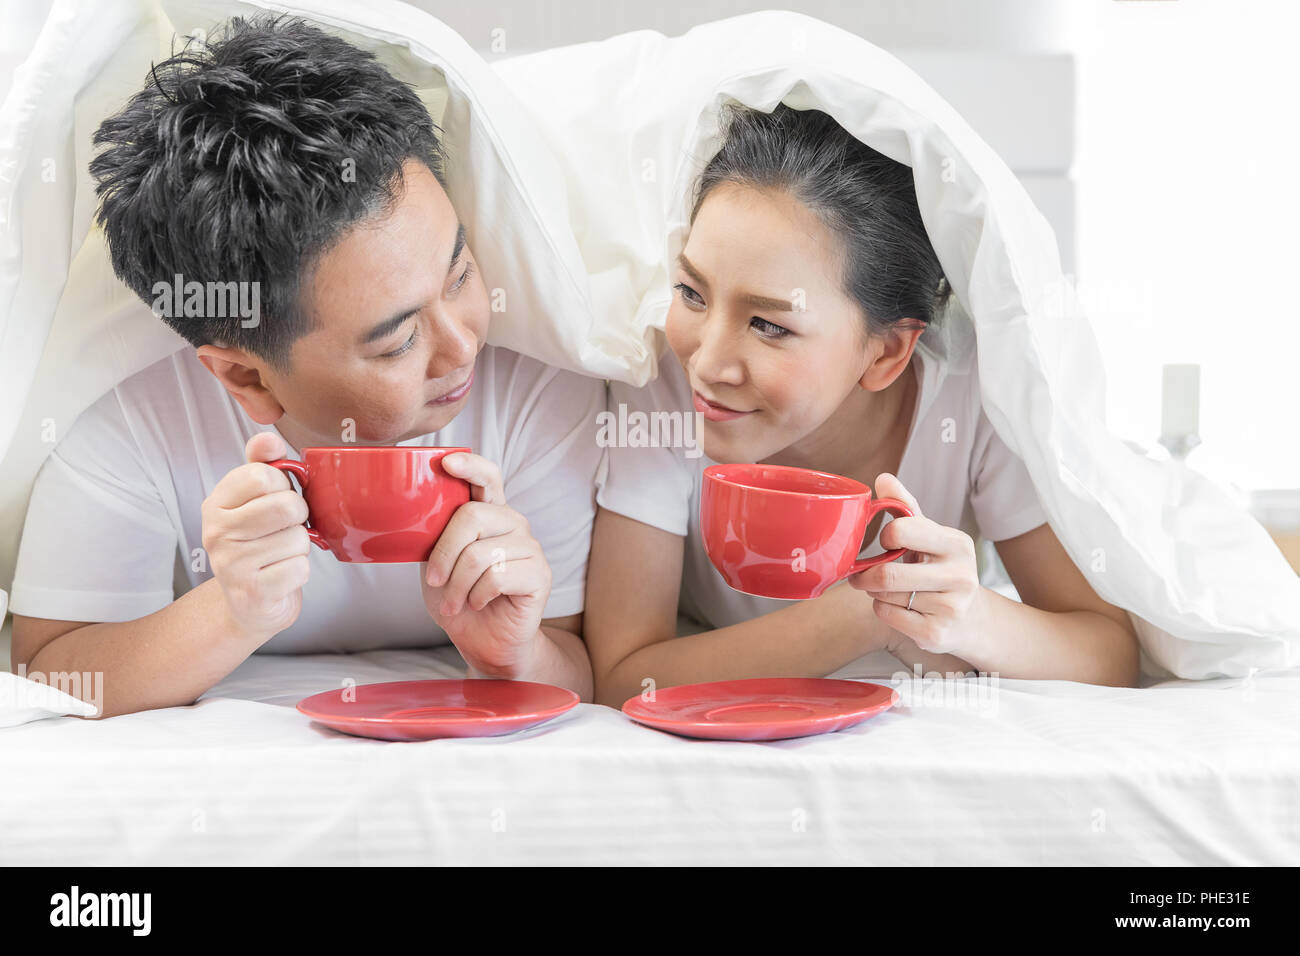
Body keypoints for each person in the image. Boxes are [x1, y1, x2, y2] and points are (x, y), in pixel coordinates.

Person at [8, 16, 603, 715]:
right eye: (397, 342)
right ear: (246, 378)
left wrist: (513, 652)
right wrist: (232, 613)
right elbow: (49, 670)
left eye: (459, 272)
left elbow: (578, 664)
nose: (463, 345)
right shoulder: (127, 416)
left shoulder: (540, 384)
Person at [585, 103, 1140, 708]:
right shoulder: (665, 379)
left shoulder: (977, 398)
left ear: (886, 353)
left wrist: (972, 617)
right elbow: (622, 676)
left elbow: (1108, 653)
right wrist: (869, 615)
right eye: (693, 291)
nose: (709, 362)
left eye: (769, 325)